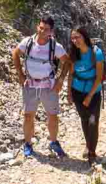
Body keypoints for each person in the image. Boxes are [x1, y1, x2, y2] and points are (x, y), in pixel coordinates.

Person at [12, 15, 71, 158]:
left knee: (52, 115)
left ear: (51, 31)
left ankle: (54, 142)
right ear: (37, 27)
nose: (42, 31)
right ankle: (27, 144)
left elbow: (67, 61)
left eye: (46, 29)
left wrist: (60, 80)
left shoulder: (55, 46)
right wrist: (20, 74)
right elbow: (15, 53)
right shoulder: (28, 42)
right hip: (30, 84)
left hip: (49, 86)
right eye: (41, 28)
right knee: (28, 116)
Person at [67, 26, 105, 163]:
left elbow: (99, 77)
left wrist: (89, 96)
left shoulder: (96, 53)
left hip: (93, 92)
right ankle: (88, 146)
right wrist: (68, 93)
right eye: (73, 38)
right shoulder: (73, 53)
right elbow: (71, 74)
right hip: (77, 91)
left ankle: (92, 152)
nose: (75, 40)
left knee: (93, 121)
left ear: (85, 37)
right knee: (84, 119)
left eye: (78, 37)